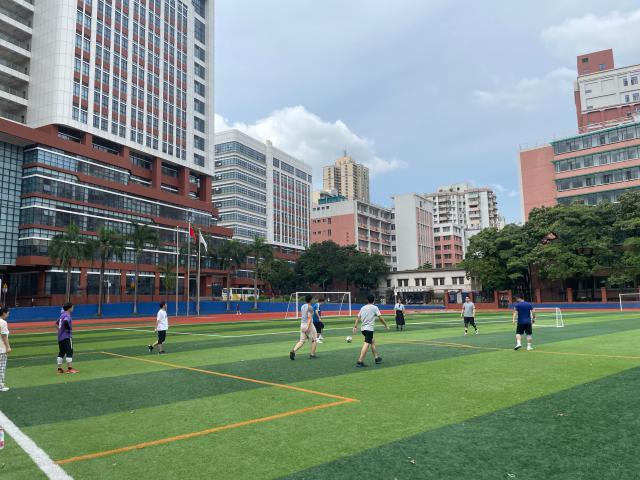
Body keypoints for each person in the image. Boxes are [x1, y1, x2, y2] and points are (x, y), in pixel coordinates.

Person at [353, 294, 389, 367]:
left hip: (363, 329)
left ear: (367, 300)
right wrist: (386, 325)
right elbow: (380, 318)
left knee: (372, 341)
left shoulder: (363, 308)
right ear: (374, 300)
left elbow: (358, 318)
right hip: (369, 329)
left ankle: (376, 358)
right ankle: (360, 361)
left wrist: (355, 327)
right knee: (366, 344)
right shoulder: (375, 307)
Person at [289, 294, 318, 360]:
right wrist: (307, 327)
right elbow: (309, 318)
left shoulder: (303, 306)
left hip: (302, 324)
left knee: (302, 341)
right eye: (312, 299)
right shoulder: (310, 307)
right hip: (308, 325)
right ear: (311, 300)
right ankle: (312, 355)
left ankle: (293, 351)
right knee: (314, 340)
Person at [57, 303, 79, 374]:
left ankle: (59, 369)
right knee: (69, 351)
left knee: (61, 352)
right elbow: (66, 321)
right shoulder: (67, 315)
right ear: (69, 308)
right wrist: (69, 329)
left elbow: (57, 323)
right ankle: (70, 369)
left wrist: (61, 330)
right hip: (66, 336)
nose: (73, 308)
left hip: (60, 337)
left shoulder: (62, 315)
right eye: (72, 307)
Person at [0, 307, 11, 392]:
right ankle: (1, 385)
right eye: (8, 313)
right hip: (1, 349)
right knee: (1, 368)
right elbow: (4, 336)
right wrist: (8, 346)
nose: (8, 314)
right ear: (4, 313)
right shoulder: (3, 322)